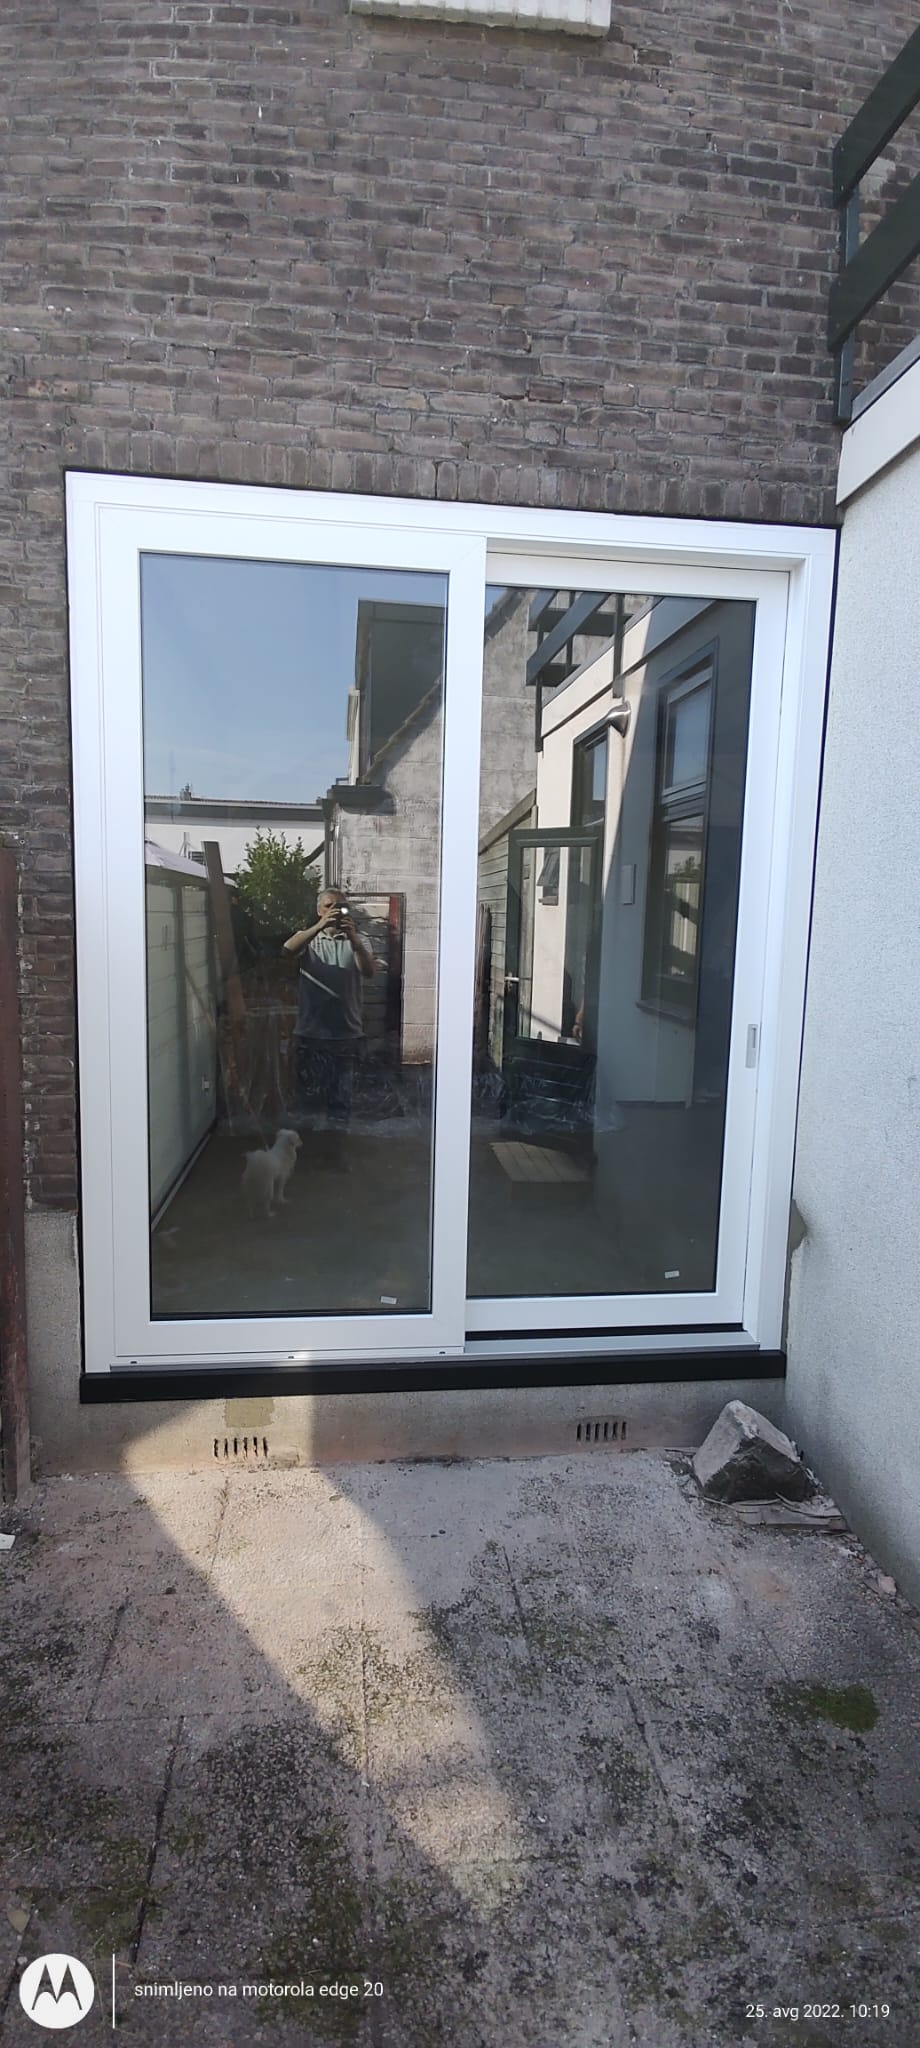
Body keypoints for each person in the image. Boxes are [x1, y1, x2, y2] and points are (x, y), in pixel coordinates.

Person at [283, 888, 376, 1156]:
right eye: (329, 906)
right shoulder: (309, 939)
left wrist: (354, 939)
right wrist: (319, 926)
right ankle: (307, 1153)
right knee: (308, 1100)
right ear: (318, 910)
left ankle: (334, 1154)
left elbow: (369, 971)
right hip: (311, 1034)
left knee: (340, 1101)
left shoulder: (359, 940)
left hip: (345, 1035)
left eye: (340, 907)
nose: (335, 911)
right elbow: (287, 951)